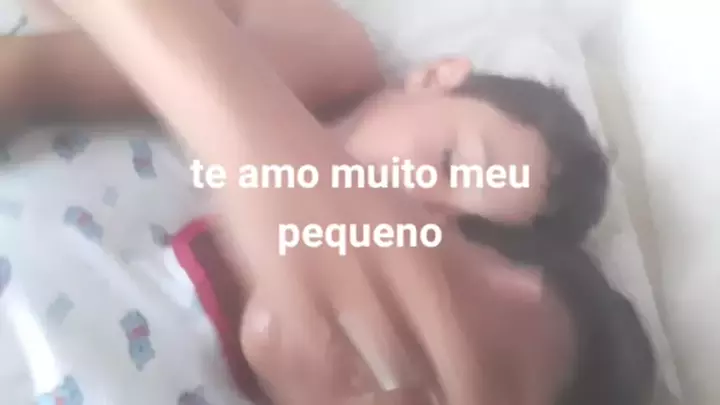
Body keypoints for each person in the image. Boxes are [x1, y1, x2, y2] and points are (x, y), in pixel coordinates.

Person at [0, 1, 653, 405]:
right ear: (435, 78)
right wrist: (259, 144)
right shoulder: (318, 61)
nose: (408, 207)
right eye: (449, 163)